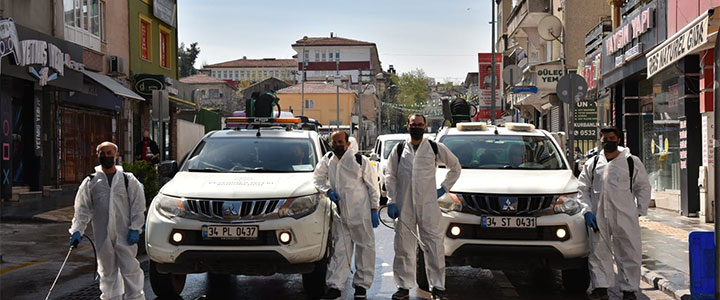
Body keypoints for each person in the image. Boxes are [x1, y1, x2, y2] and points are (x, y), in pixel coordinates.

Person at [385, 114, 462, 300]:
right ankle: (403, 287)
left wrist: (443, 188)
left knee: (434, 246)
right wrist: (391, 200)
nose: (416, 127)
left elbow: (455, 167)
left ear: (425, 126)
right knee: (403, 247)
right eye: (413, 124)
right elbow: (390, 175)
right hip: (404, 207)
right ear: (407, 126)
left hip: (428, 206)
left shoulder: (434, 148)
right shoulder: (399, 149)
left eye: (420, 124)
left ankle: (437, 287)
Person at [577, 126, 651, 300]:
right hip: (598, 216)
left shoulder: (630, 161)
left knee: (629, 251)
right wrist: (586, 210)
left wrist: (640, 210)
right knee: (598, 252)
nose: (607, 141)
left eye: (611, 138)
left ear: (618, 140)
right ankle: (601, 287)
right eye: (604, 138)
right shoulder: (593, 163)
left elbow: (643, 186)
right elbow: (582, 188)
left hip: (625, 215)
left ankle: (629, 289)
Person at [69, 141, 147, 300]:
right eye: (102, 153)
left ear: (116, 155)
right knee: (107, 274)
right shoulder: (91, 182)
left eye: (109, 153)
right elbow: (82, 209)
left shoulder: (128, 180)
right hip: (102, 236)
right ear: (97, 156)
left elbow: (138, 206)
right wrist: (77, 230)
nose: (106, 156)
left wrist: (135, 227)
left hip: (125, 234)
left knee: (130, 271)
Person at [313, 131, 381, 300]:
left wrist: (374, 209)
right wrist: (328, 190)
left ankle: (361, 286)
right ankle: (336, 287)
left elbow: (373, 186)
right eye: (334, 142)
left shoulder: (360, 161)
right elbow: (317, 178)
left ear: (348, 143)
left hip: (361, 212)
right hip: (341, 214)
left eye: (340, 142)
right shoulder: (328, 160)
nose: (337, 145)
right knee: (340, 251)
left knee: (365, 249)